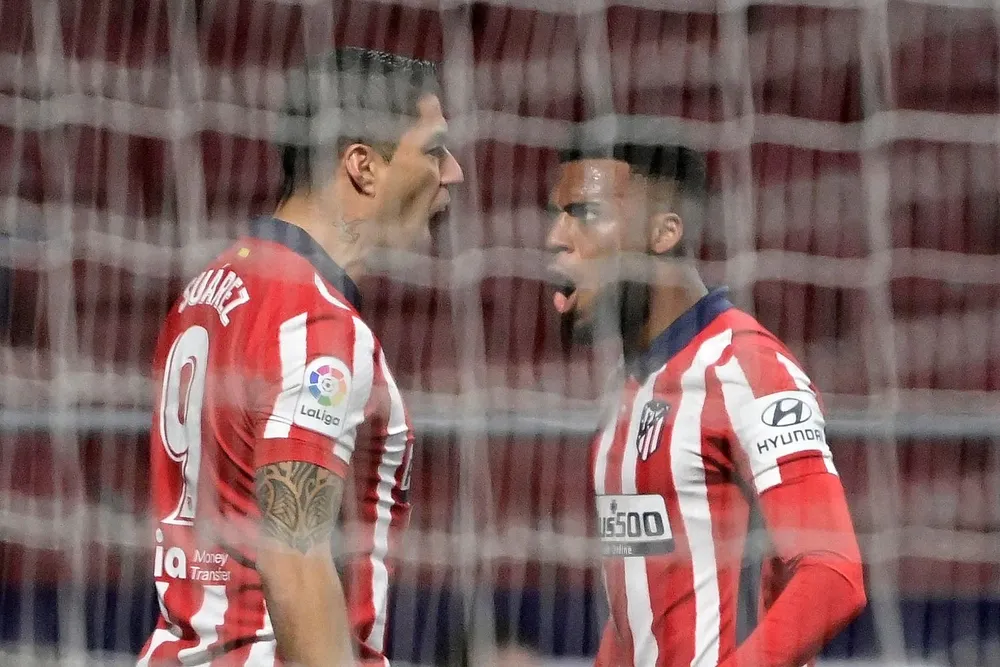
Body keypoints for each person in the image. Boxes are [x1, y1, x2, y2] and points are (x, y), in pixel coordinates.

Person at [137, 47, 464, 667]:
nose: (454, 173)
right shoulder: (318, 325)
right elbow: (294, 554)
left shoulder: (207, 289)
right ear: (363, 167)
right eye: (434, 150)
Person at [543, 141, 866, 666]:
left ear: (664, 233)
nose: (555, 238)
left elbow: (833, 571)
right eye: (556, 216)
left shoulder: (747, 367)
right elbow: (639, 609)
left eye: (586, 215)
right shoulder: (621, 396)